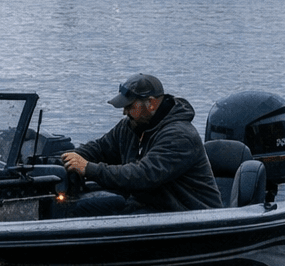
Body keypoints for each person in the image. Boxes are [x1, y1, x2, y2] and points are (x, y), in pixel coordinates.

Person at [58, 73, 222, 214]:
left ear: (150, 103)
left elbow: (142, 175)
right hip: (148, 207)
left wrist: (88, 168)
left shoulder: (180, 136)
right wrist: (67, 160)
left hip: (188, 215)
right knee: (74, 208)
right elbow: (100, 148)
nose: (124, 112)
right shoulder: (131, 125)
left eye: (129, 106)